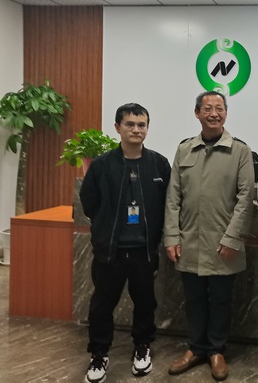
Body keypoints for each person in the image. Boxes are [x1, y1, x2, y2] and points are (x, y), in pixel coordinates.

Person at [163, 90, 255, 381]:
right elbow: (173, 198)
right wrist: (171, 237)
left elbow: (246, 199)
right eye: (208, 108)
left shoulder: (240, 151)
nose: (214, 113)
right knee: (194, 300)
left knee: (220, 300)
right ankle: (196, 349)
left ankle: (216, 350)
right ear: (197, 113)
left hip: (222, 243)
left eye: (219, 108)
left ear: (226, 113)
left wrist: (232, 238)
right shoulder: (184, 150)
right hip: (189, 241)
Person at [79, 103, 171, 383]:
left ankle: (142, 347)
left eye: (142, 125)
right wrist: (105, 226)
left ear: (147, 129)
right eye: (130, 124)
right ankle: (99, 354)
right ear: (117, 127)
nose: (136, 130)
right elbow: (89, 202)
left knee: (145, 302)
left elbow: (168, 203)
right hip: (111, 251)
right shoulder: (101, 165)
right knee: (101, 305)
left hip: (144, 251)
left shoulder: (158, 164)